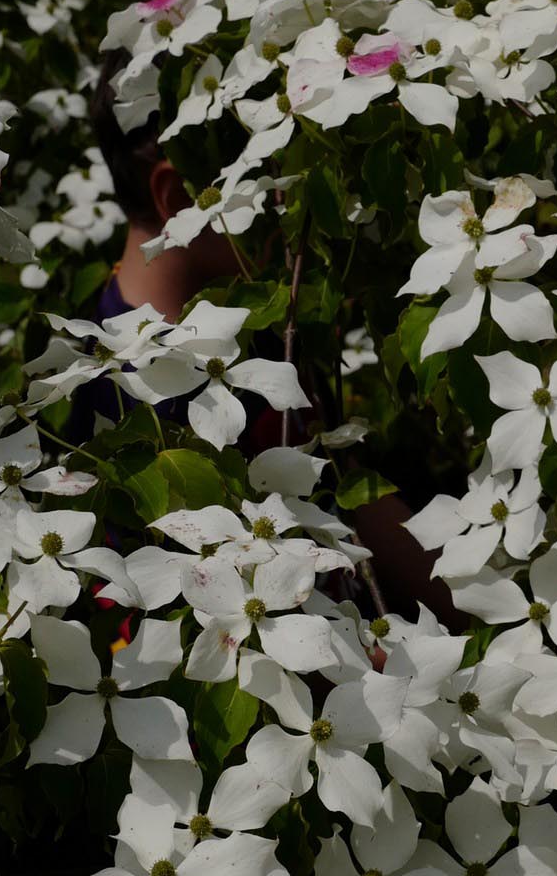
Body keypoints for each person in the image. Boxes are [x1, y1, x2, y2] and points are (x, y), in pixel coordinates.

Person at [80, 48, 459, 626]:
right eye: (261, 179)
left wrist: (477, 614)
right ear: (182, 200)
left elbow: (351, 491)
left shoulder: (254, 314)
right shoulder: (117, 395)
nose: (283, 202)